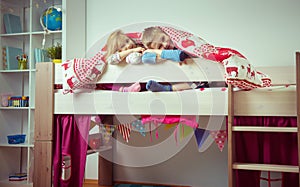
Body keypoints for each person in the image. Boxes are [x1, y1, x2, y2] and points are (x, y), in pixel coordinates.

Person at [141, 26, 207, 92]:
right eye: (160, 46)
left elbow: (179, 55)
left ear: (166, 33)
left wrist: (156, 51)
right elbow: (145, 58)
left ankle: (166, 88)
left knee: (193, 83)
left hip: (203, 74)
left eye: (163, 39)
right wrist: (151, 51)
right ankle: (166, 88)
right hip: (186, 78)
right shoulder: (166, 52)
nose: (165, 44)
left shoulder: (181, 45)